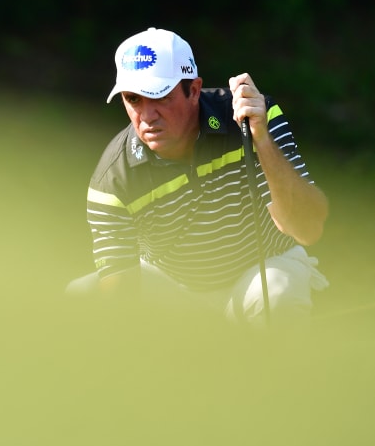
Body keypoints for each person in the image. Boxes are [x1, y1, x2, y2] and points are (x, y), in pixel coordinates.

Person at [66, 27, 330, 328]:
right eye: (133, 100)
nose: (147, 116)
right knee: (80, 297)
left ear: (193, 89)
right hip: (176, 286)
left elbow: (309, 229)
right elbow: (120, 294)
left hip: (264, 266)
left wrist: (262, 141)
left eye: (160, 97)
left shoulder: (253, 119)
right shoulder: (113, 180)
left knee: (276, 295)